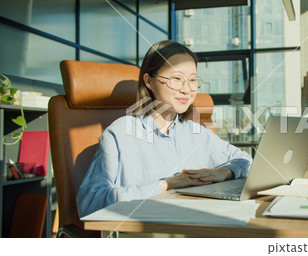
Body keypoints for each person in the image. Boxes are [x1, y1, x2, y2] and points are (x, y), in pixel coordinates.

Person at [76, 40, 252, 217]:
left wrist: (223, 173)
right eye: (176, 79)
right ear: (149, 82)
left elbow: (245, 161)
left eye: (192, 80)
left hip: (197, 223)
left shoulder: (196, 132)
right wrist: (167, 185)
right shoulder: (120, 134)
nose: (187, 89)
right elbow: (90, 202)